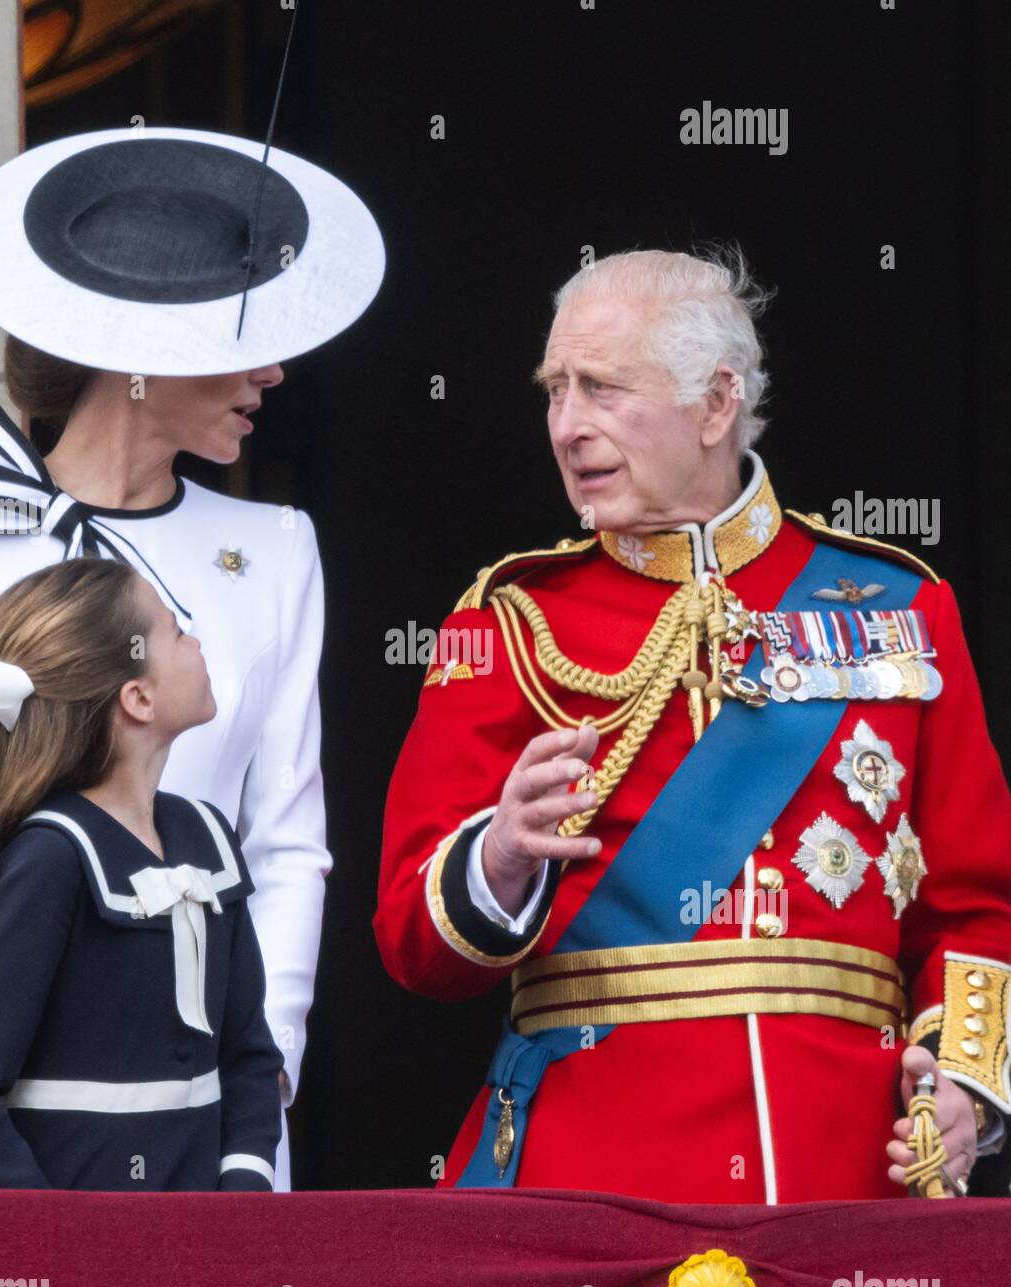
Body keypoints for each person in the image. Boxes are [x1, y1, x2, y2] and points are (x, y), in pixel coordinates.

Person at [374, 246, 1011, 1203]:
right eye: (555, 390)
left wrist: (962, 1088)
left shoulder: (900, 607)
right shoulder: (508, 621)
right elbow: (409, 942)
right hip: (592, 1175)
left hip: (844, 1172)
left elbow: (974, 907)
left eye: (601, 388)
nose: (566, 426)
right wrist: (501, 856)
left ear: (716, 404)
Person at [0, 125, 384, 1190]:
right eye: (246, 339)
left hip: (214, 1115)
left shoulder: (278, 551)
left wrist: (259, 1069)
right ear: (146, 357)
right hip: (7, 1111)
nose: (274, 371)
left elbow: (285, 844)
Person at [0, 558, 283, 1189]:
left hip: (203, 1259)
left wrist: (241, 1200)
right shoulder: (53, 858)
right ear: (137, 698)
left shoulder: (208, 836)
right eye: (174, 629)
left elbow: (248, 1056)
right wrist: (53, 1241)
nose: (194, 639)